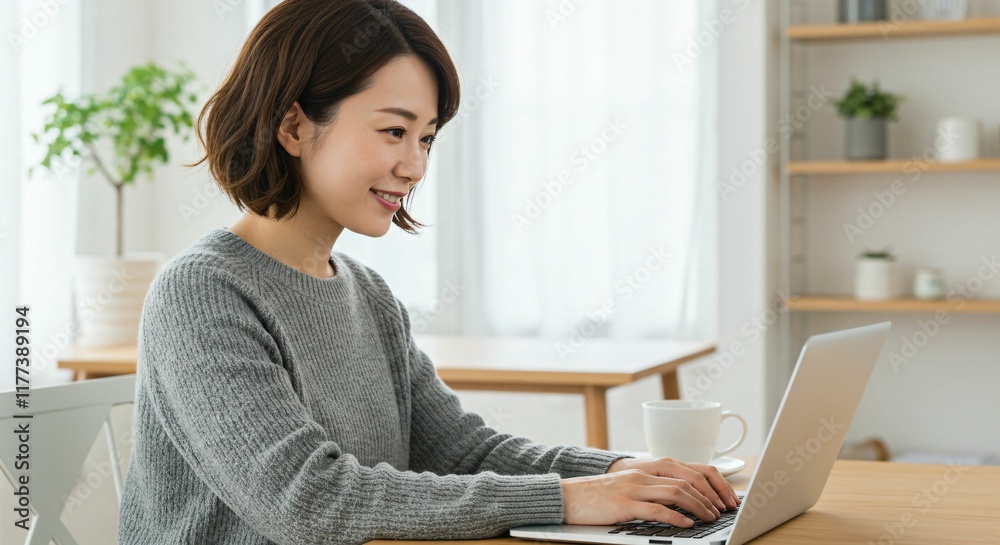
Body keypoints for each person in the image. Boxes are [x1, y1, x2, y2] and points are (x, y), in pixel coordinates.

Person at [117, 1, 739, 544]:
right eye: (394, 131)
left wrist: (621, 472)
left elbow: (465, 453)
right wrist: (568, 500)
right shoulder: (202, 293)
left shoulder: (368, 294)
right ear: (294, 127)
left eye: (427, 138)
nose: (414, 167)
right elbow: (306, 501)